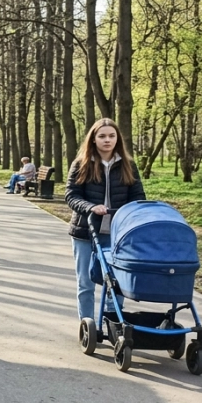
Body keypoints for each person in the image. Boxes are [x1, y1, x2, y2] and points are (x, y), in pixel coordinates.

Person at [65, 118, 145, 322]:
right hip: (86, 230)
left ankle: (113, 321)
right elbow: (71, 195)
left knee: (116, 281)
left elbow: (138, 196)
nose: (107, 140)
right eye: (102, 136)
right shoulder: (81, 164)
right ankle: (87, 323)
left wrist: (128, 212)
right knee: (86, 281)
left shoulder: (128, 165)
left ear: (117, 139)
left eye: (111, 136)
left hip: (117, 234)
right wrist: (90, 207)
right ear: (93, 139)